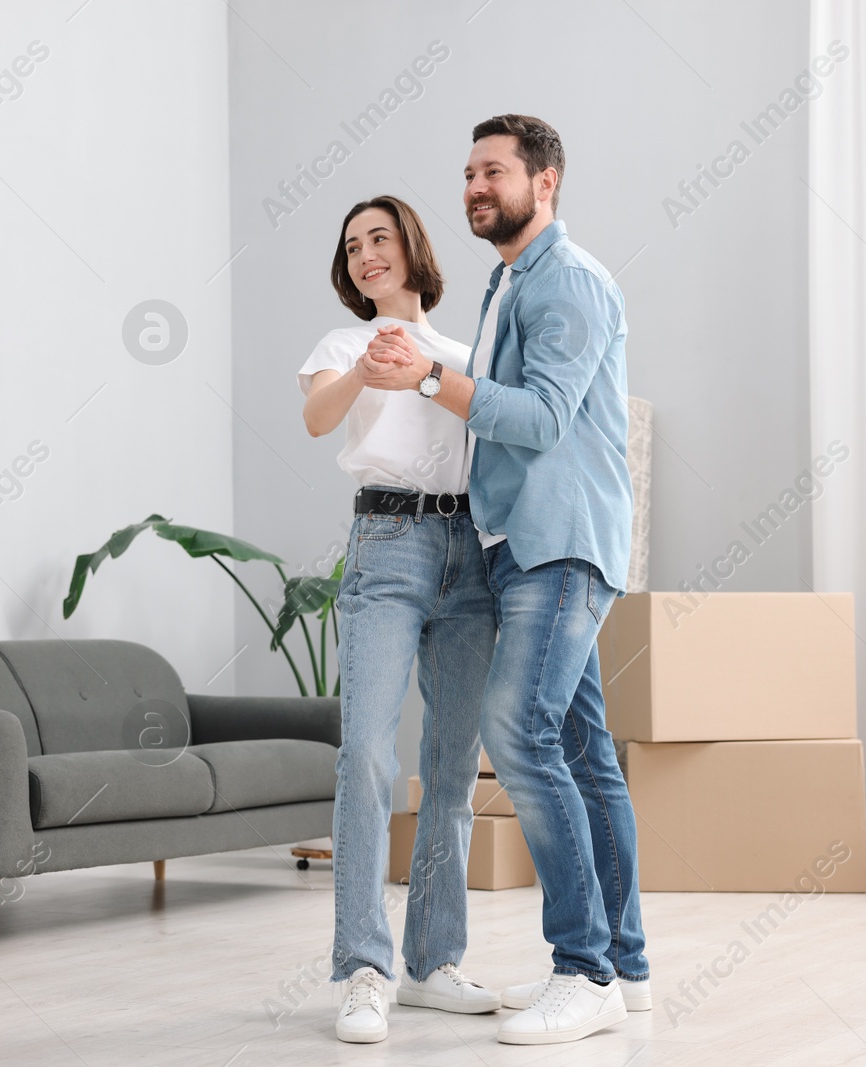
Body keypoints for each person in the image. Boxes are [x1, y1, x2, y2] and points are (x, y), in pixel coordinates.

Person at [359, 114, 650, 1046]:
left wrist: (424, 381)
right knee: (588, 754)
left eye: (495, 171)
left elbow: (543, 418)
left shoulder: (564, 279)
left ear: (546, 180)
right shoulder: (510, 279)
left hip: (558, 540)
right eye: (470, 172)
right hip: (523, 542)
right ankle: (628, 966)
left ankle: (583, 967)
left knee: (516, 728)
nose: (477, 186)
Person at [299, 194, 501, 1044]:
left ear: (412, 247)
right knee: (368, 758)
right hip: (385, 540)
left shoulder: (464, 350)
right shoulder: (343, 343)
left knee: (453, 766)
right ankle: (363, 970)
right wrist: (365, 371)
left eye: (379, 238)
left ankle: (434, 960)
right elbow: (317, 418)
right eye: (352, 247)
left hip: (470, 550)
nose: (365, 255)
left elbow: (493, 427)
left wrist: (424, 369)